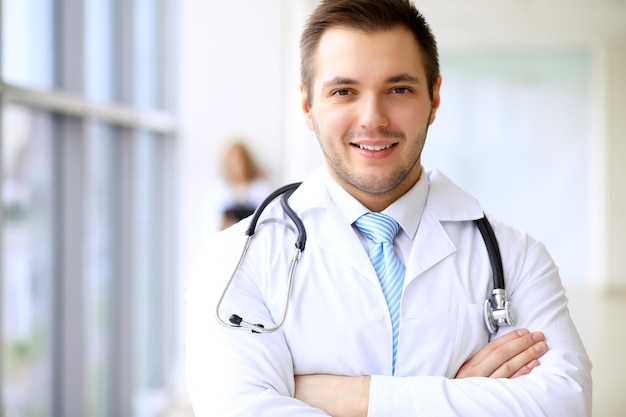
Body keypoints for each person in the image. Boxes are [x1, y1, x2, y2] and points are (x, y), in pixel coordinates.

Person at [186, 0, 592, 415]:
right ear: (308, 105)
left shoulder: (517, 256)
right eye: (344, 91)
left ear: (434, 98)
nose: (373, 118)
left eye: (399, 89)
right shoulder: (237, 259)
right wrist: (456, 398)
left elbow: (564, 403)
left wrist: (354, 397)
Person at [214, 140, 272, 230]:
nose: (237, 165)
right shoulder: (219, 189)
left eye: (240, 160)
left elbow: (268, 217)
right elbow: (213, 223)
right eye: (232, 161)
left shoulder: (260, 188)